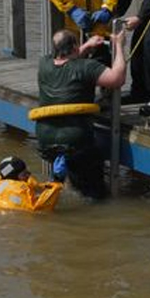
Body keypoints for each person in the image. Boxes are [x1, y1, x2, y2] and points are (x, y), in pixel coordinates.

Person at [36, 28, 127, 199]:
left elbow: (68, 60)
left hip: (45, 141)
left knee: (70, 181)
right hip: (76, 141)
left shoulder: (44, 64)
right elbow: (117, 78)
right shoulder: (87, 67)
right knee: (96, 193)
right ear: (75, 47)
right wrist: (120, 46)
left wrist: (86, 46)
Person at [0, 156, 64, 212]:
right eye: (24, 174)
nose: (29, 174)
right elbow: (38, 207)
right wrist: (56, 186)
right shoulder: (20, 190)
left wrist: (42, 186)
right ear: (14, 176)